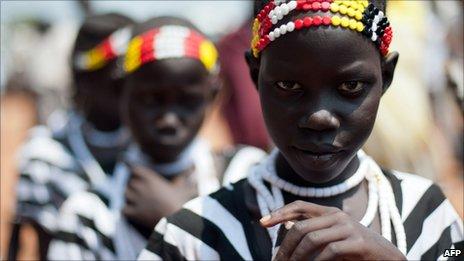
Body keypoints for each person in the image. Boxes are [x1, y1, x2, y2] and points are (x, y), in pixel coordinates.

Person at [139, 1, 463, 260]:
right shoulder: (191, 237)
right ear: (255, 77)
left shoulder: (429, 215)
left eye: (350, 85)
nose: (319, 117)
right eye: (288, 85)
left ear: (385, 78)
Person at [47, 16, 266, 260]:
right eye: (152, 100)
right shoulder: (90, 213)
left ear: (212, 96)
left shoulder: (247, 177)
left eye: (187, 101)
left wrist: (180, 220)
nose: (169, 120)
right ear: (121, 93)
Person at [8, 13, 133, 260]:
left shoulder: (155, 147)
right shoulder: (45, 156)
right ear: (85, 78)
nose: (129, 84)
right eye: (118, 75)